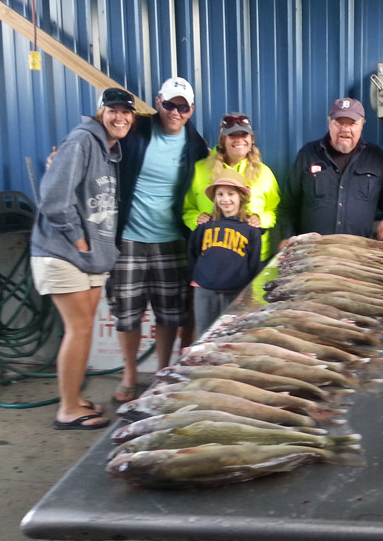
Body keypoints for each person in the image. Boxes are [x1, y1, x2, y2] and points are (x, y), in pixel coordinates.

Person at [30, 88, 135, 430]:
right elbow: (53, 199)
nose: (120, 117)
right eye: (113, 110)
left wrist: (93, 250)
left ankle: (75, 399)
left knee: (84, 328)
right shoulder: (82, 140)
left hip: (88, 256)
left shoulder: (110, 149)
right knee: (79, 328)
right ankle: (67, 409)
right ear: (100, 112)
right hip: (64, 252)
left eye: (126, 112)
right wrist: (80, 241)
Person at [107, 77, 209, 404]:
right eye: (169, 104)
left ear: (191, 110)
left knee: (169, 314)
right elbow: (100, 142)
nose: (175, 112)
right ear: (157, 102)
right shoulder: (135, 131)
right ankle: (129, 375)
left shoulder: (197, 146)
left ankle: (163, 372)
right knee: (127, 313)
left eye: (183, 107)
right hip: (129, 237)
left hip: (172, 239)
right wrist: (62, 155)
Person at [278, 97, 383, 242]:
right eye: (339, 122)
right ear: (329, 123)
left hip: (359, 250)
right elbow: (288, 205)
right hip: (314, 251)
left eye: (352, 123)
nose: (345, 129)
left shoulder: (376, 157)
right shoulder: (308, 154)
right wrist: (285, 237)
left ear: (362, 125)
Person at [183, 112, 280, 262]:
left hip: (254, 256)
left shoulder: (264, 173)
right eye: (232, 135)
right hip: (212, 255)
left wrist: (261, 219)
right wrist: (196, 218)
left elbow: (275, 210)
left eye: (244, 134)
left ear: (252, 139)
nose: (239, 139)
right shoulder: (200, 169)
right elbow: (187, 208)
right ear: (222, 140)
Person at [187, 169, 262, 337]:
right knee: (204, 335)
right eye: (220, 194)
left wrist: (248, 292)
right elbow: (192, 252)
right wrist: (198, 277)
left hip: (236, 291)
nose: (225, 199)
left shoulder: (251, 229)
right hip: (204, 289)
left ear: (241, 197)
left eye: (231, 194)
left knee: (231, 337)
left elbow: (254, 264)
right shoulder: (205, 225)